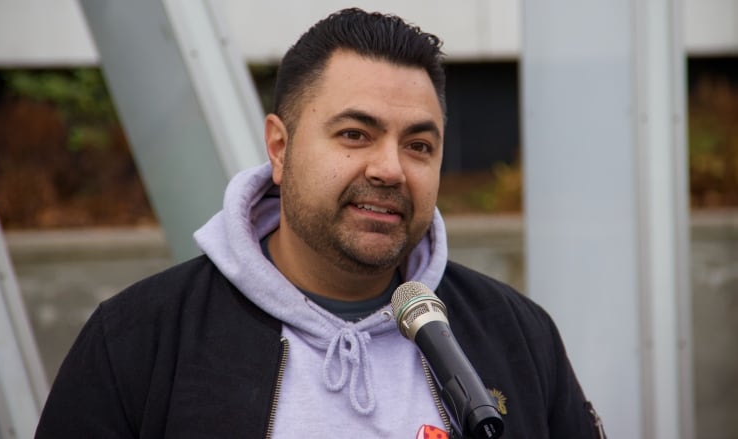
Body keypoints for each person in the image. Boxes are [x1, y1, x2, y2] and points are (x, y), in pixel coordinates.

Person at [35, 8, 605, 439]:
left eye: (419, 145)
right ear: (280, 149)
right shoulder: (140, 342)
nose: (389, 169)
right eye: (355, 134)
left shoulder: (517, 337)